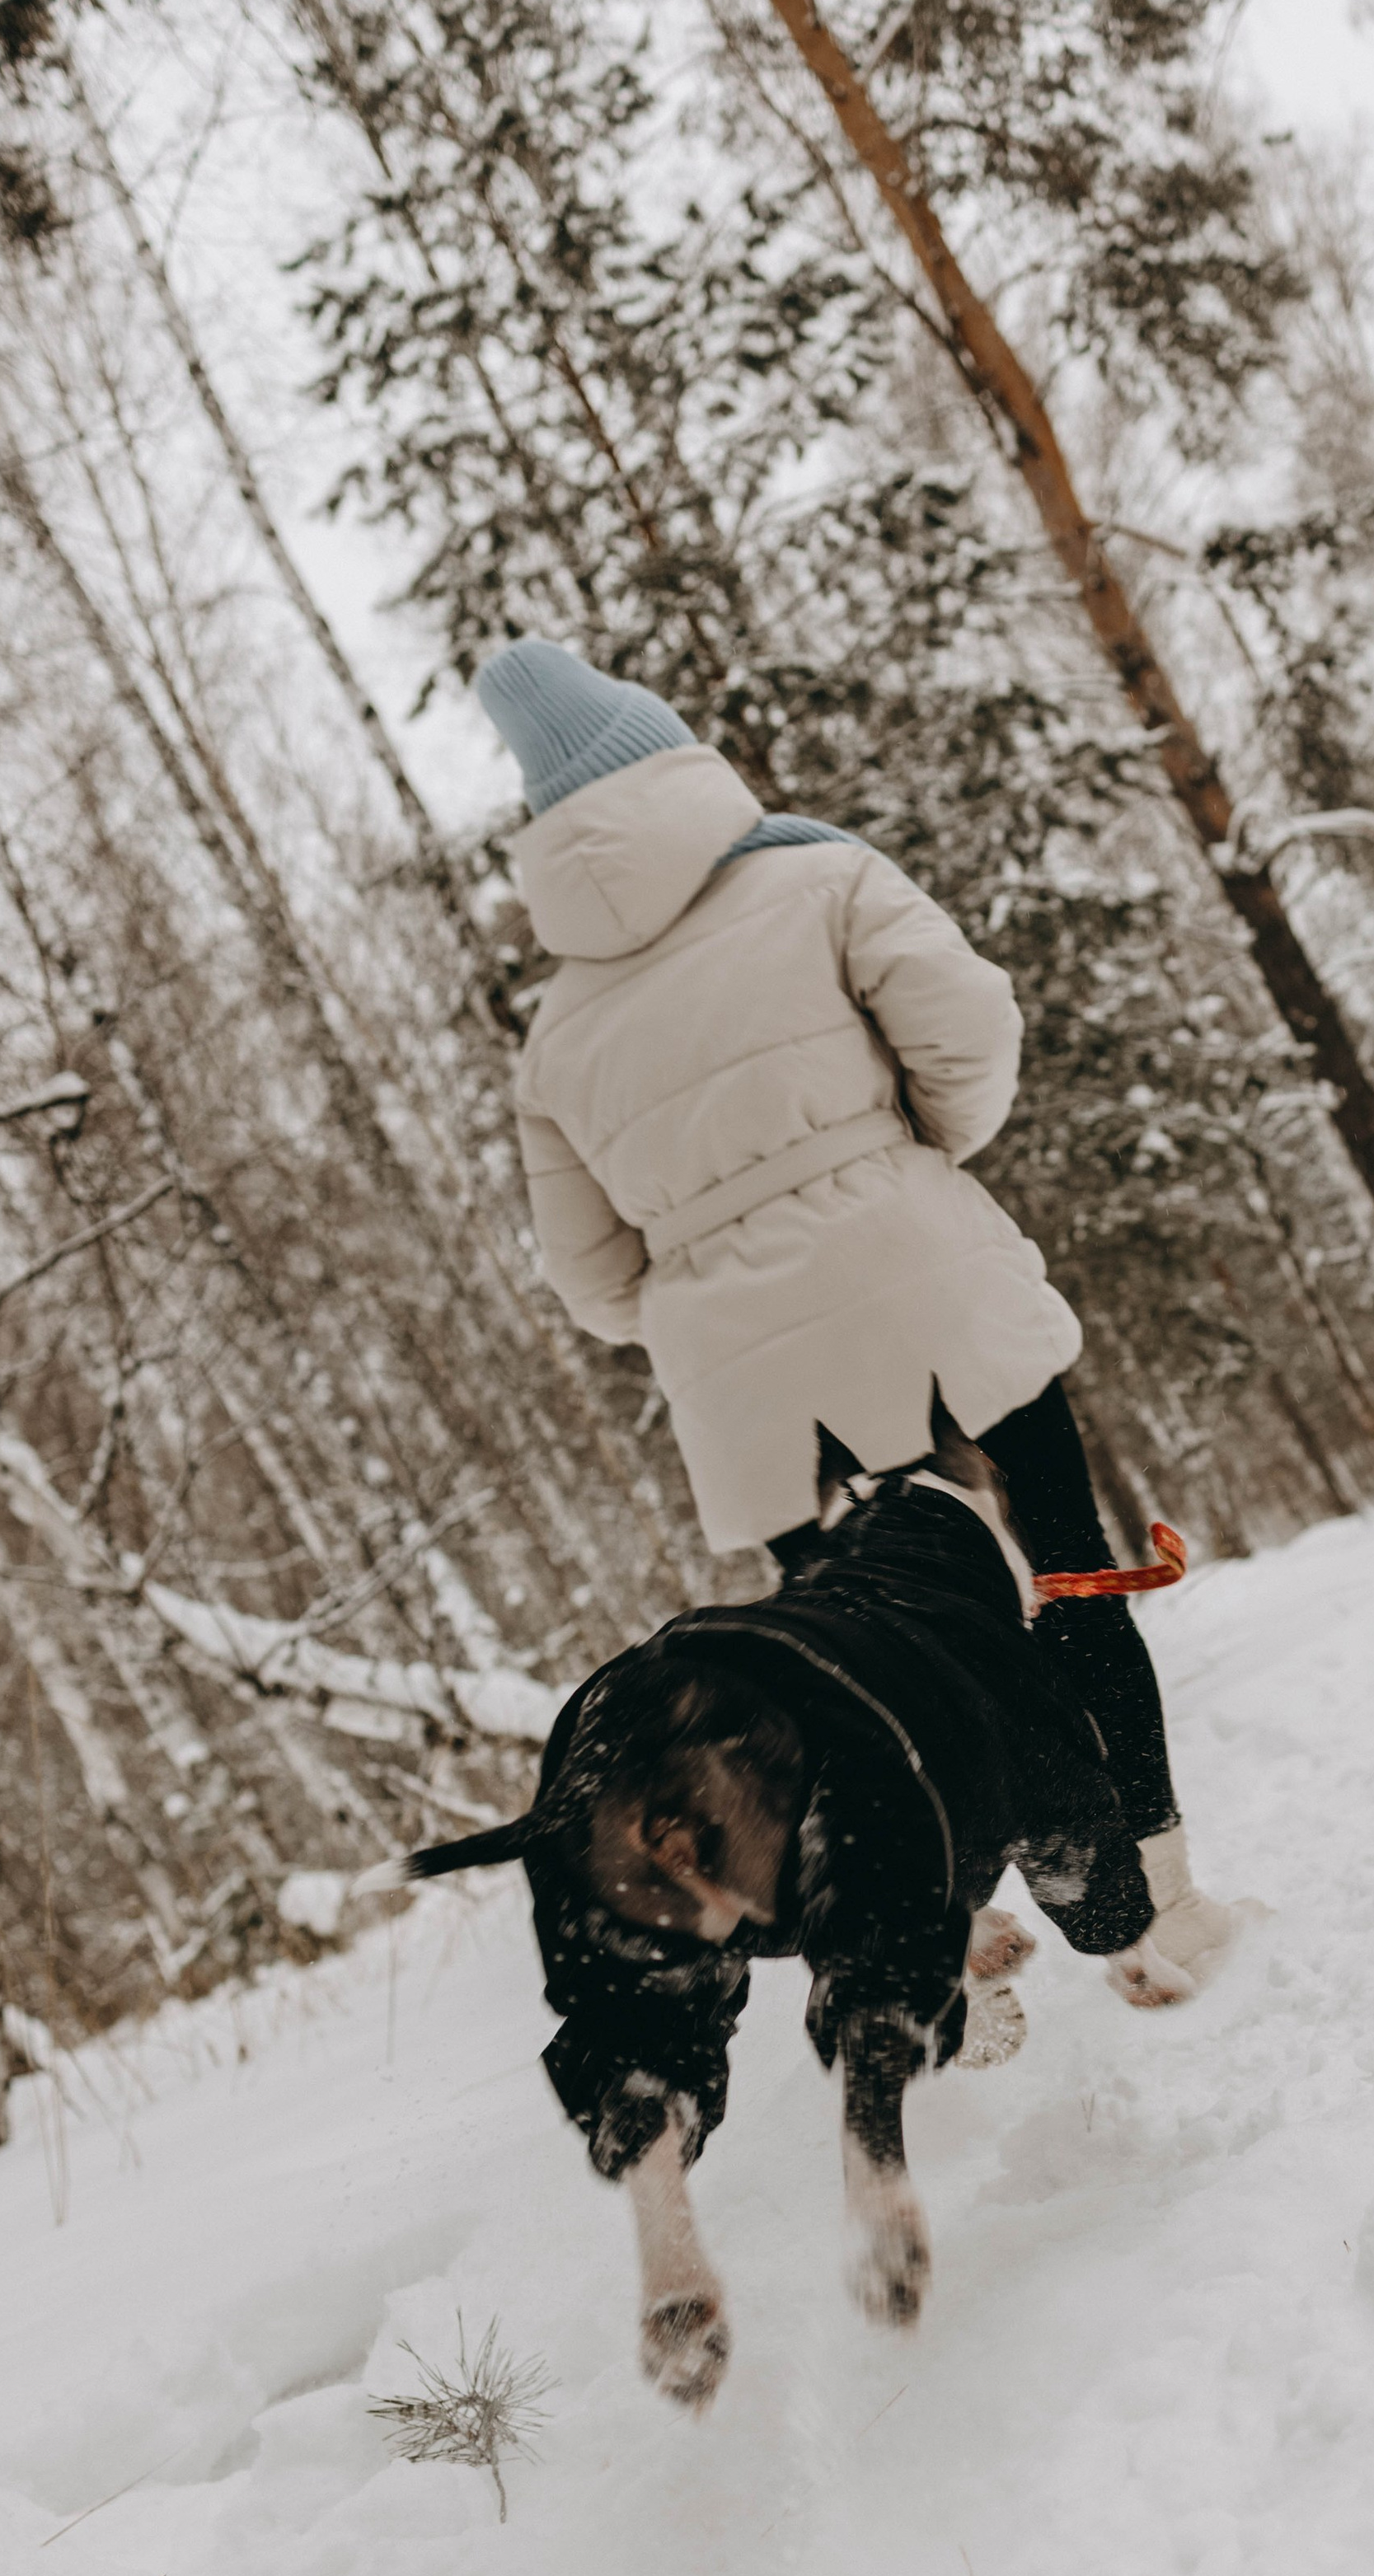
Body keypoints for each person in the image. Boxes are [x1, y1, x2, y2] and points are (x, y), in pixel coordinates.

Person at [473, 637, 1239, 1995]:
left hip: (753, 1391)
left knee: (870, 1666)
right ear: (673, 760)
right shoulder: (820, 875)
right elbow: (970, 1035)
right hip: (929, 1288)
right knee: (1066, 1573)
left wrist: (713, 1290)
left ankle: (939, 1940)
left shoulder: (555, 1040)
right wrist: (904, 1166)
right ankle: (1158, 1896)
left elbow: (591, 1282)